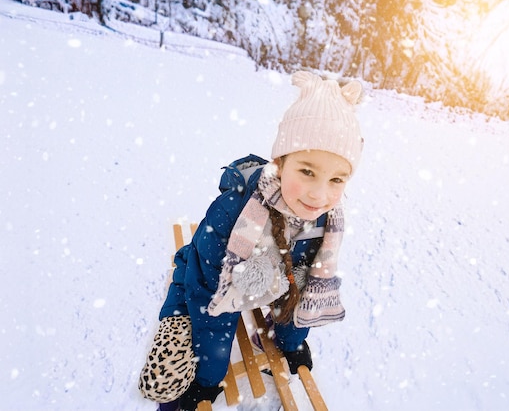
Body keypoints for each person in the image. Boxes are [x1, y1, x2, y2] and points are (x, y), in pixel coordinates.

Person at [138, 70, 363, 410]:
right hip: (208, 269)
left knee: (294, 275)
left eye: (336, 179)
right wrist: (207, 376)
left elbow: (299, 283)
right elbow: (210, 295)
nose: (320, 194)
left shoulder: (325, 221)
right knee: (186, 312)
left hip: (264, 271)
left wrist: (291, 340)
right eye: (307, 171)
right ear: (280, 162)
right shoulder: (234, 215)